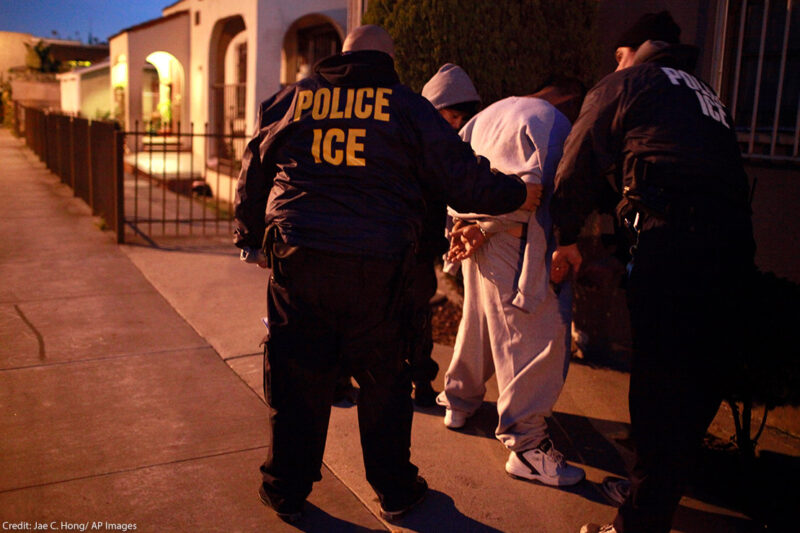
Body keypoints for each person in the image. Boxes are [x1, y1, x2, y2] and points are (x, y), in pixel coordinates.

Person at [234, 25, 541, 523]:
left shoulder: (292, 99)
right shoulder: (406, 106)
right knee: (383, 384)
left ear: (343, 54)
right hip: (378, 271)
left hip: (300, 260)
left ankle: (284, 488)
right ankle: (396, 491)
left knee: (297, 378)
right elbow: (461, 177)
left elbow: (257, 164)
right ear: (388, 61)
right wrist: (515, 194)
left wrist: (249, 237)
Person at [548, 12, 756, 533]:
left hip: (672, 246)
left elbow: (577, 162)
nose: (613, 64)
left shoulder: (630, 81)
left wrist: (567, 237)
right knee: (695, 383)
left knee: (658, 385)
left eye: (617, 56)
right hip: (732, 251)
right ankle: (650, 496)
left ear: (635, 49)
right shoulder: (707, 95)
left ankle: (637, 523)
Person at [434, 78, 587, 486]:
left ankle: (459, 401)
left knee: (479, 321)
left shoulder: (483, 118)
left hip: (475, 235)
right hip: (518, 243)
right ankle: (527, 447)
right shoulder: (554, 123)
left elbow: (454, 179)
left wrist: (469, 226)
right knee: (537, 338)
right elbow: (542, 193)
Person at [393, 63, 483, 407]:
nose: (456, 125)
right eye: (451, 116)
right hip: (393, 243)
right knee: (383, 315)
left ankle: (420, 382)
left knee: (417, 316)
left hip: (420, 247)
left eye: (461, 118)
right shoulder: (404, 135)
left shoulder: (444, 145)